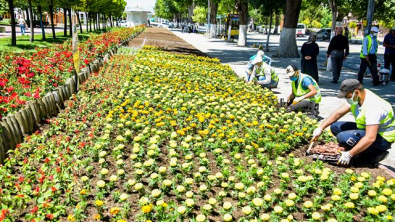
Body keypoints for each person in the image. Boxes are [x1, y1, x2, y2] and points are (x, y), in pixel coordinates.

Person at [312, 79, 394, 166]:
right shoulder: (359, 96)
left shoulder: (373, 107)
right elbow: (338, 113)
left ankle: (374, 153)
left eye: (347, 96)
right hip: (368, 129)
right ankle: (358, 148)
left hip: (383, 139)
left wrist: (349, 154)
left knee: (344, 137)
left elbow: (370, 137)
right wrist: (320, 128)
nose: (346, 98)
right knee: (335, 127)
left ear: (356, 92)